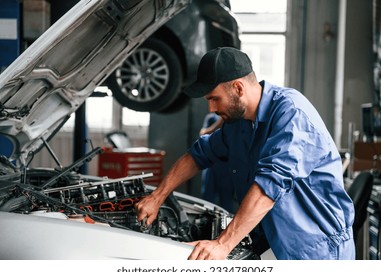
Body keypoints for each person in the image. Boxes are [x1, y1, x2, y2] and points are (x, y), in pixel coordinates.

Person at [135, 47, 356, 260]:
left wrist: (222, 245)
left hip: (318, 249)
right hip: (277, 240)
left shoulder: (291, 114)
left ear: (238, 89)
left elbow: (269, 186)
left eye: (214, 98)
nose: (211, 109)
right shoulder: (238, 124)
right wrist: (157, 197)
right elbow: (199, 154)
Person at [199, 113, 237, 213]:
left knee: (226, 202)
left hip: (227, 167)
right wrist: (219, 122)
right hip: (211, 165)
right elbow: (203, 134)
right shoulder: (212, 118)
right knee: (207, 200)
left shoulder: (235, 120)